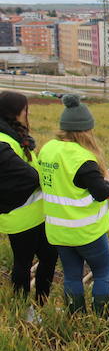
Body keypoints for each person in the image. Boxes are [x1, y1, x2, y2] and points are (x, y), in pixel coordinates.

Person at [38, 95, 109, 314]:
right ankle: (102, 317)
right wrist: (107, 180)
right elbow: (101, 193)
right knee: (102, 272)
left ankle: (76, 315)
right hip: (86, 231)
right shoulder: (83, 159)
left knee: (71, 275)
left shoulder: (48, 149)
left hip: (58, 230)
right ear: (85, 130)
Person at [0, 91, 56, 305]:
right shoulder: (2, 141)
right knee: (23, 263)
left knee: (50, 258)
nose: (27, 113)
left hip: (38, 213)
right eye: (25, 110)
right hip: (20, 216)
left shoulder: (13, 134)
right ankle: (22, 308)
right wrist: (49, 178)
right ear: (15, 112)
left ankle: (42, 303)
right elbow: (28, 175)